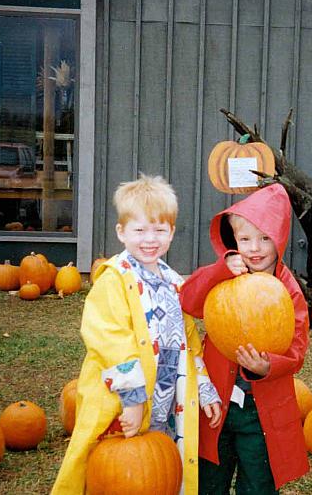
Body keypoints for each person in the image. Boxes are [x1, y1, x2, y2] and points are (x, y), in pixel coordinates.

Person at [50, 174, 221, 495]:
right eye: (139, 230)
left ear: (171, 232)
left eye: (159, 229)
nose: (149, 239)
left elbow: (188, 340)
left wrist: (204, 386)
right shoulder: (114, 280)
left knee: (159, 471)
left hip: (165, 399)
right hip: (121, 402)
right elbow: (110, 340)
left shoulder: (174, 282)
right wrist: (132, 399)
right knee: (116, 474)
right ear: (122, 232)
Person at [180, 183, 310, 494]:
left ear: (279, 239)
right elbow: (189, 300)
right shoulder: (223, 275)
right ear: (233, 241)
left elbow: (297, 347)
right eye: (245, 239)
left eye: (265, 238)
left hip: (260, 409)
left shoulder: (287, 288)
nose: (255, 248)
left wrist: (268, 367)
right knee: (211, 475)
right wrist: (218, 271)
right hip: (217, 404)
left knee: (259, 481)